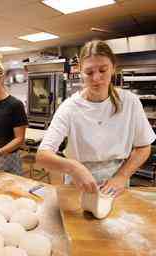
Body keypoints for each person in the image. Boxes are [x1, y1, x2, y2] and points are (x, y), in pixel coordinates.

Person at [37, 40, 156, 197]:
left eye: (103, 70)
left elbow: (143, 147)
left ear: (113, 68)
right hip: (78, 185)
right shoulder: (70, 107)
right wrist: (74, 168)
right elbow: (42, 156)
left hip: (116, 183)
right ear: (80, 71)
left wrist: (121, 176)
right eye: (89, 72)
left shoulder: (129, 102)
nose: (96, 78)